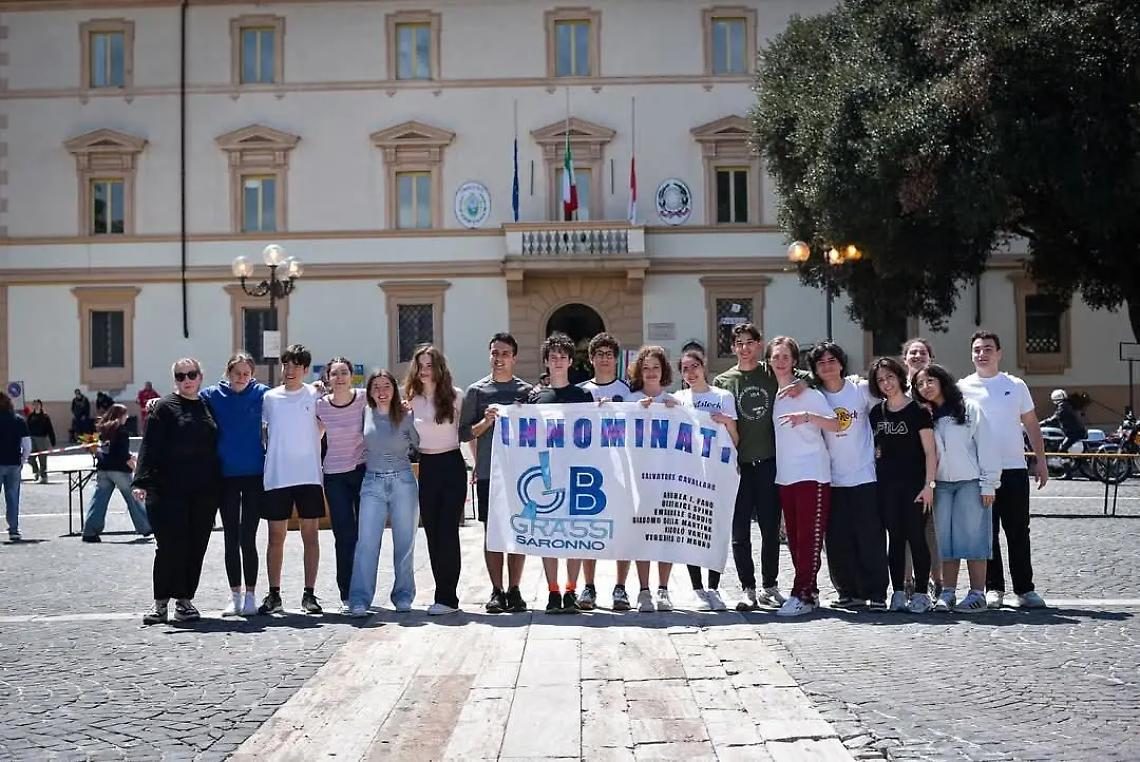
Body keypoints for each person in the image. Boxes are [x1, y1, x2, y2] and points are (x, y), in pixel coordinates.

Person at [712, 322, 805, 611]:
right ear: (733, 348)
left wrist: (802, 383)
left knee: (769, 530)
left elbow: (806, 376)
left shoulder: (770, 371)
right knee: (739, 532)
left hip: (768, 463)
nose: (745, 347)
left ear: (758, 343)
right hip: (737, 468)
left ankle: (770, 585)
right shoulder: (724, 381)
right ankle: (747, 588)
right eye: (739, 343)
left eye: (750, 342)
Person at [958, 330, 1048, 609]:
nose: (982, 354)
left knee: (1019, 530)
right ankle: (993, 587)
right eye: (977, 350)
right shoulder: (961, 388)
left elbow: (1031, 423)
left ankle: (1025, 589)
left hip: (1014, 469)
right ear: (971, 355)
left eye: (987, 349)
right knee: (986, 533)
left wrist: (1041, 461)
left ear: (999, 353)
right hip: (981, 472)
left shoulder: (1016, 385)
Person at [132, 359, 221, 625]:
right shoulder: (164, 407)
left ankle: (184, 600)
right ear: (175, 380)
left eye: (191, 374)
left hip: (203, 490)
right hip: (169, 490)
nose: (187, 380)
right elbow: (150, 446)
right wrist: (141, 481)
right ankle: (160, 604)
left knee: (196, 545)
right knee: (170, 546)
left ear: (200, 376)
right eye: (181, 376)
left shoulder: (208, 406)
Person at [913, 364, 1002, 612]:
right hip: (940, 485)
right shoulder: (924, 415)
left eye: (930, 381)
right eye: (920, 384)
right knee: (946, 542)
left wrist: (989, 484)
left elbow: (986, 446)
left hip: (971, 483)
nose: (925, 387)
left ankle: (977, 594)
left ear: (943, 381)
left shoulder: (969, 408)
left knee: (973, 538)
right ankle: (948, 592)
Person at [807, 342, 888, 610]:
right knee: (838, 539)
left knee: (871, 537)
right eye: (821, 363)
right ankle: (847, 591)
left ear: (841, 363)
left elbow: (889, 405)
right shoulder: (815, 396)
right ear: (816, 370)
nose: (827, 366)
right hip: (831, 478)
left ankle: (876, 592)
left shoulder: (861, 389)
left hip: (864, 475)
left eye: (832, 360)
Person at [459, 333, 532, 614]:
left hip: (520, 474)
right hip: (490, 472)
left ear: (514, 357)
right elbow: (464, 432)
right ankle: (496, 590)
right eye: (494, 353)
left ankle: (515, 589)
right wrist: (485, 422)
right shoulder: (476, 392)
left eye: (504, 353)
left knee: (518, 531)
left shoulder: (527, 392)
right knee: (493, 533)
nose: (498, 358)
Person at [768, 337, 839, 617]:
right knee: (795, 539)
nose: (781, 361)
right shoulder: (774, 393)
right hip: (786, 475)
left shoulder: (809, 393)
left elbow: (836, 423)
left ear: (794, 360)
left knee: (810, 537)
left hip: (812, 472)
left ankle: (802, 593)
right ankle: (809, 592)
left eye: (786, 356)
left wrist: (808, 417)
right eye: (776, 357)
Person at [526, 332, 595, 614]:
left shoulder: (583, 396)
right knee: (549, 535)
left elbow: (595, 434)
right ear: (546, 361)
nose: (557, 361)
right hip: (546, 474)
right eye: (553, 357)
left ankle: (570, 590)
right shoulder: (534, 397)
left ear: (570, 362)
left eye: (562, 357)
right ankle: (553, 591)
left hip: (576, 473)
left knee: (574, 535)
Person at [200, 353, 270, 618]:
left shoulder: (262, 393)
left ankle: (251, 595)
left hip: (253, 474)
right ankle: (235, 596)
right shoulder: (213, 395)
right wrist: (159, 402)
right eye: (237, 372)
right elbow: (187, 400)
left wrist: (317, 388)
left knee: (248, 536)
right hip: (225, 475)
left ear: (252, 374)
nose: (242, 377)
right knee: (230, 535)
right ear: (228, 372)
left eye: (246, 373)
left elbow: (290, 396)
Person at [258, 344, 326, 616]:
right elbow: (263, 431)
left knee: (311, 536)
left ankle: (309, 594)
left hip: (308, 475)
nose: (290, 370)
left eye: (296, 365)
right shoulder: (270, 398)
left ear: (305, 369)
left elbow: (325, 423)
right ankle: (274, 594)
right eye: (286, 364)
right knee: (276, 537)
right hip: (277, 475)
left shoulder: (316, 394)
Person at [868, 357, 939, 613]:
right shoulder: (877, 413)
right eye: (880, 380)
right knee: (895, 539)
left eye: (890, 377)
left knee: (917, 538)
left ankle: (921, 593)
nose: (886, 383)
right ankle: (897, 591)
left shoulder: (918, 411)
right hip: (886, 488)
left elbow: (931, 452)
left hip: (915, 487)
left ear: (900, 376)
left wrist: (929, 485)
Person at [348, 369, 420, 616]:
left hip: (403, 482)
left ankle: (403, 594)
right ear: (369, 391)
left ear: (394, 389)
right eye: (376, 387)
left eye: (386, 386)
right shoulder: (364, 412)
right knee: (366, 543)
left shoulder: (406, 414)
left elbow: (419, 442)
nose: (381, 391)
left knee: (405, 542)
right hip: (372, 483)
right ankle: (359, 598)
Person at [673, 347, 738, 611]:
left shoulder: (723, 396)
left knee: (716, 528)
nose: (690, 372)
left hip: (717, 472)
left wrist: (727, 423)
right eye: (685, 368)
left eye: (694, 366)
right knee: (691, 530)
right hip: (690, 473)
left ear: (704, 366)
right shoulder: (678, 398)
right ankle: (697, 589)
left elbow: (735, 439)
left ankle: (714, 587)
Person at [405, 344, 467, 616]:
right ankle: (440, 591)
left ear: (439, 367)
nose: (424, 370)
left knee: (448, 531)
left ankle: (448, 597)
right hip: (427, 465)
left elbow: (465, 433)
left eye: (430, 365)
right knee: (431, 531)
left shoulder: (456, 396)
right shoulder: (410, 399)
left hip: (452, 465)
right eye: (420, 365)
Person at [577, 332, 633, 611]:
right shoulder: (580, 392)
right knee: (590, 529)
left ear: (616, 358)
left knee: (622, 529)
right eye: (599, 354)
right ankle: (588, 587)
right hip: (590, 470)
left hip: (621, 469)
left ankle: (621, 587)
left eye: (609, 354)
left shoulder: (628, 392)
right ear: (591, 359)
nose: (604, 358)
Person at [629, 344, 679, 612]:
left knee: (664, 534)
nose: (650, 372)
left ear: (663, 371)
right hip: (638, 479)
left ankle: (663, 589)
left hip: (667, 477)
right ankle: (644, 590)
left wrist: (678, 410)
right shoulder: (630, 401)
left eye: (655, 368)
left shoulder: (674, 402)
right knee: (641, 534)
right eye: (645, 368)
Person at [317, 357, 367, 614]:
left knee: (364, 534)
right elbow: (312, 433)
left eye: (344, 372)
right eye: (334, 373)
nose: (340, 377)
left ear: (352, 375)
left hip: (361, 471)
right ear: (327, 378)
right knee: (343, 535)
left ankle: (364, 590)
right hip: (334, 476)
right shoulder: (320, 406)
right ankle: (346, 592)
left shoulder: (364, 398)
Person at [81, 403, 152, 542]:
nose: (127, 417)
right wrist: (130, 459)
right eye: (125, 414)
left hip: (103, 468)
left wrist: (98, 452)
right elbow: (120, 453)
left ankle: (89, 531)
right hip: (119, 470)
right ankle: (146, 526)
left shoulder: (100, 428)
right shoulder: (121, 431)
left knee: (99, 500)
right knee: (133, 499)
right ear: (120, 416)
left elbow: (88, 444)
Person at [0, 392, 30, 542]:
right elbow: (27, 445)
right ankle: (13, 529)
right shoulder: (19, 420)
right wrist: (23, 460)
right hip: (13, 463)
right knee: (12, 498)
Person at [1042, 388, 1087, 454]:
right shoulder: (1069, 405)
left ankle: (1065, 462)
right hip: (1076, 431)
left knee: (1062, 450)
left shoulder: (1063, 407)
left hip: (1074, 433)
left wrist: (1042, 423)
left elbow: (1055, 418)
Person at [26, 400, 56, 484]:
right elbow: (26, 427)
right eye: (35, 404)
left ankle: (43, 476)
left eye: (38, 404)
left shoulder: (45, 416)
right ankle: (36, 472)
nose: (36, 406)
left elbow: (50, 429)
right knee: (30, 458)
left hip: (42, 439)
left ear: (41, 405)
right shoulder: (30, 416)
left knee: (42, 459)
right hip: (32, 439)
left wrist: (52, 440)